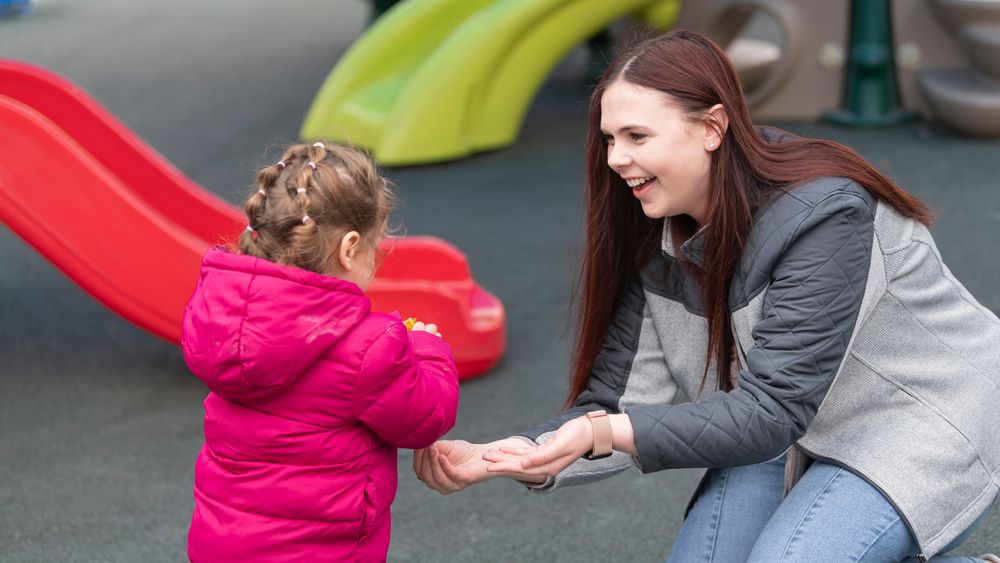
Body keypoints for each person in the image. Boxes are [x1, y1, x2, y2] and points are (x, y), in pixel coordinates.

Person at [413, 30, 1000, 562]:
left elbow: (770, 413)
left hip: (910, 416)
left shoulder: (825, 216)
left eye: (637, 136)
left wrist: (599, 433)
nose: (616, 158)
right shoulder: (658, 234)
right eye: (610, 138)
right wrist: (512, 452)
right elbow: (617, 403)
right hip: (787, 427)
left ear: (713, 127)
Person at [182, 141, 459, 562]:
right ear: (349, 248)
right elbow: (425, 419)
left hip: (221, 544)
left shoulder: (218, 318)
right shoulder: (368, 345)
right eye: (375, 246)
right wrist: (428, 349)